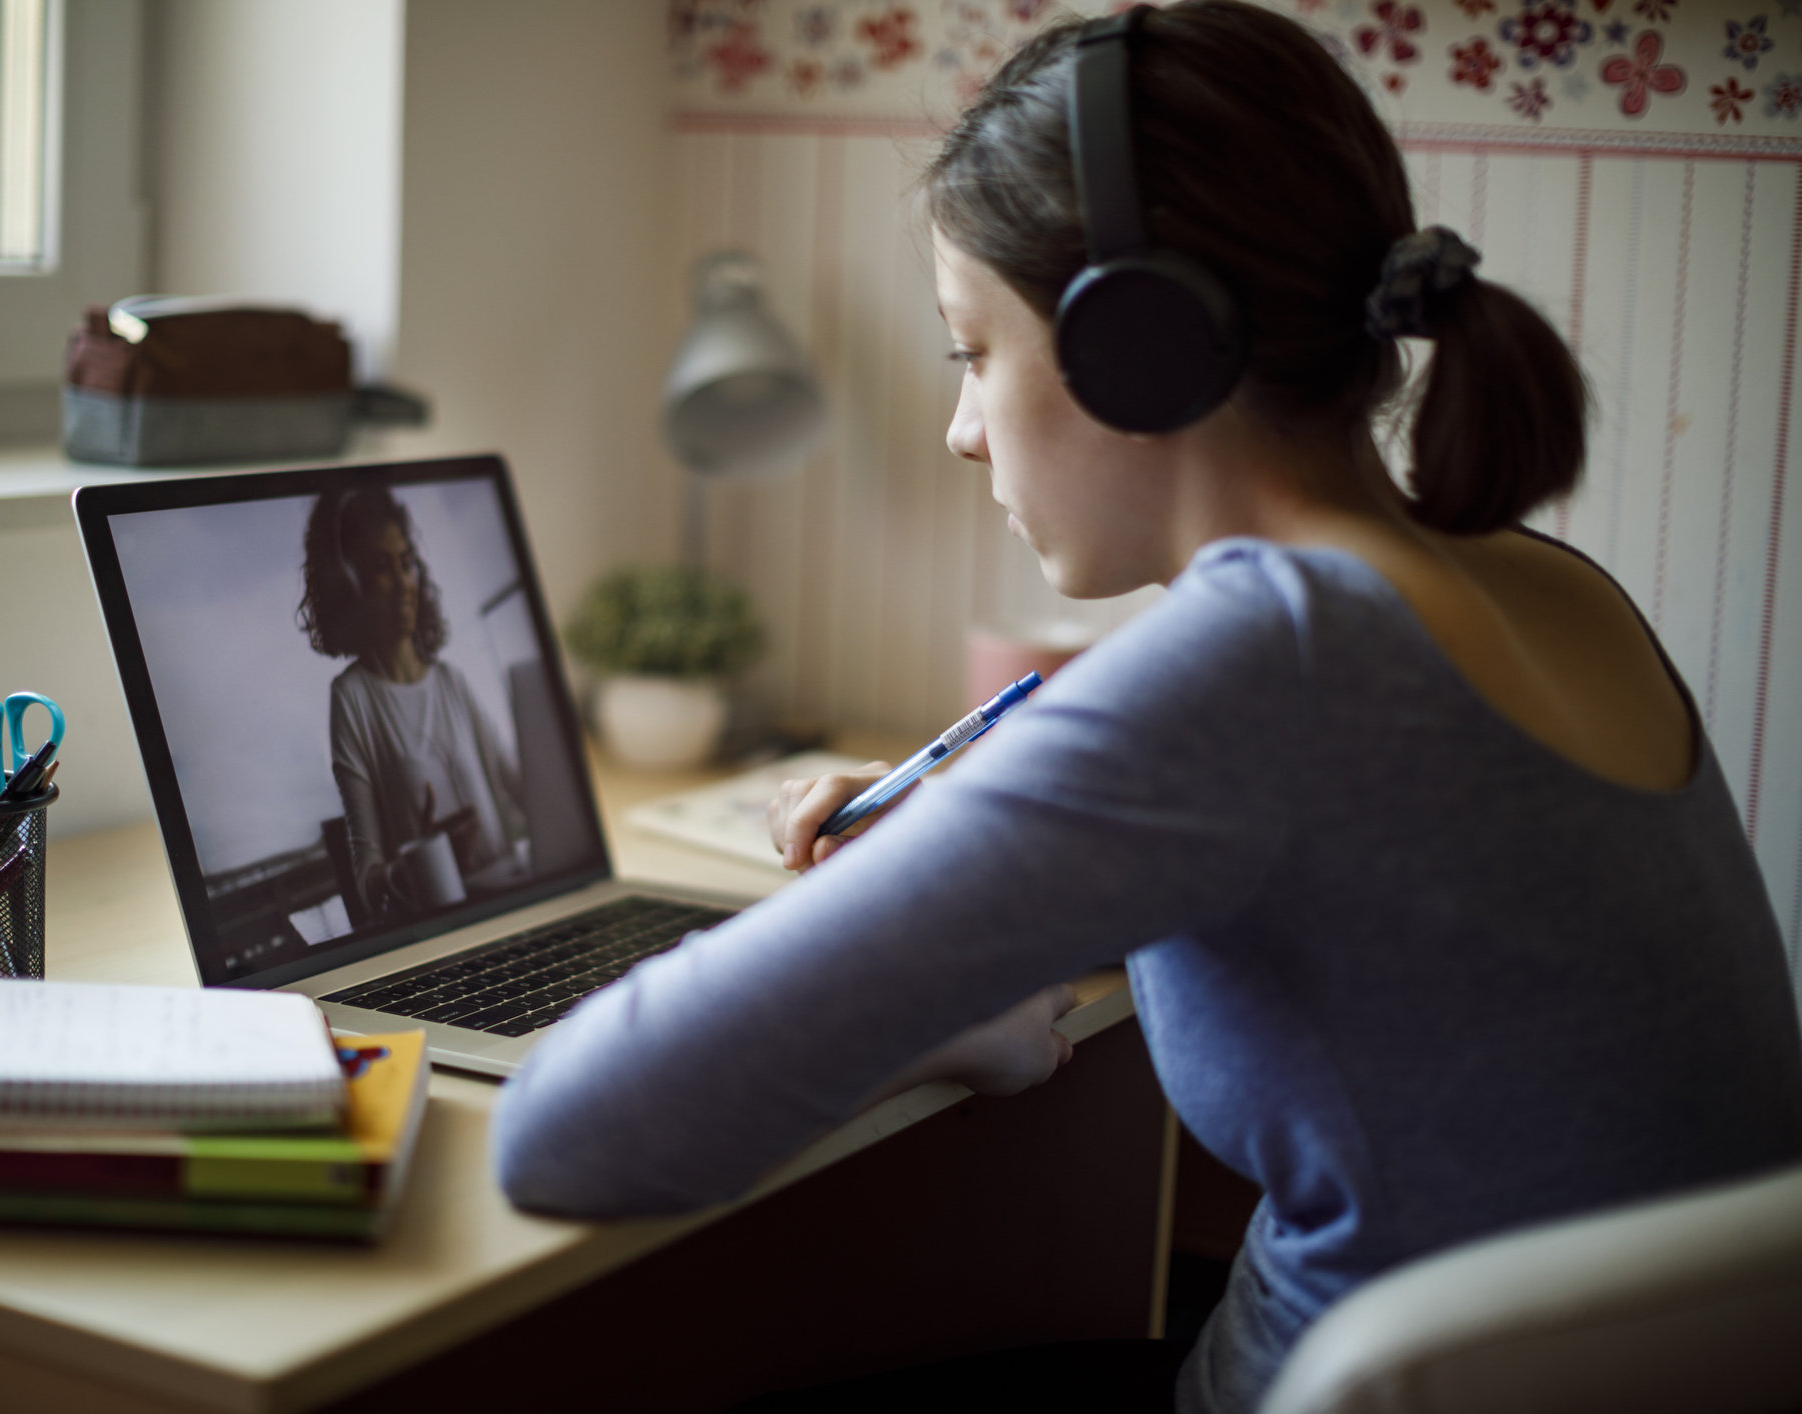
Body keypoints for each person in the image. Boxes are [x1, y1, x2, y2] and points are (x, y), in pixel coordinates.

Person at [490, 4, 1802, 1410]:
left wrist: (929, 1001)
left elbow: (568, 1132)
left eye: (969, 350)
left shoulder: (1260, 655)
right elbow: (1402, 912)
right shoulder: (1543, 584)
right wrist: (981, 862)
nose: (961, 427)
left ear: (1139, 339)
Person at [298, 486, 529, 923]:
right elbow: (368, 884)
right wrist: (422, 862)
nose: (404, 583)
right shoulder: (353, 699)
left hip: (515, 900)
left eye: (407, 564)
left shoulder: (450, 681)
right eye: (382, 568)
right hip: (452, 929)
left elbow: (522, 785)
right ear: (350, 586)